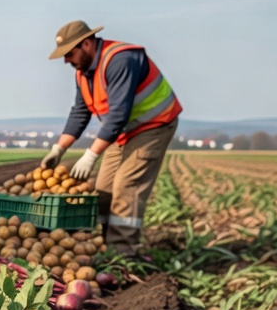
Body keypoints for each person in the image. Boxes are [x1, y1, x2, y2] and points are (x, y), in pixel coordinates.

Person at [41, 21, 181, 255]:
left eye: (69, 54)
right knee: (104, 191)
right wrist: (59, 149)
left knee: (127, 188)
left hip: (153, 125)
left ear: (86, 43)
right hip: (123, 130)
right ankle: (108, 247)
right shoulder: (83, 72)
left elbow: (117, 114)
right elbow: (80, 111)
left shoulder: (119, 60)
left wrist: (91, 155)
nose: (66, 61)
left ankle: (124, 254)